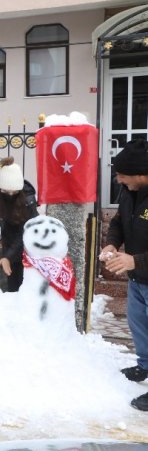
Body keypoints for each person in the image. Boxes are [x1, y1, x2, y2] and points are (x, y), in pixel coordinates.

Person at [100, 138, 148, 412]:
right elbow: (119, 221)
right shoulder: (129, 193)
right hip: (139, 279)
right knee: (139, 325)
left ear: (141, 174)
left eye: (122, 174)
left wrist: (134, 260)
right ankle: (144, 367)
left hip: (140, 267)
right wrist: (111, 243)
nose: (118, 180)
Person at [0, 157, 38, 292]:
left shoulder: (28, 200)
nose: (10, 194)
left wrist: (8, 256)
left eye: (14, 192)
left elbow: (26, 231)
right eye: (6, 191)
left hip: (21, 242)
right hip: (0, 242)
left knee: (17, 284)